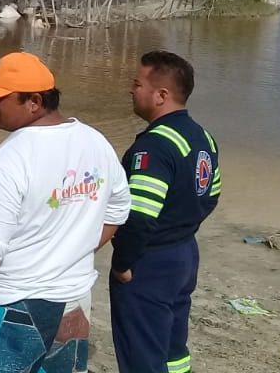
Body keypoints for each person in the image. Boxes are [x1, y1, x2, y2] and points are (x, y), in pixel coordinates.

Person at [0, 51, 130, 373]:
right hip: (74, 300)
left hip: (16, 304)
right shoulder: (95, 142)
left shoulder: (7, 160)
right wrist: (71, 251)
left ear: (33, 101)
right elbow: (117, 210)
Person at [110, 51, 221, 373]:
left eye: (137, 83)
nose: (132, 90)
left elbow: (140, 216)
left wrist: (123, 263)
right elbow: (211, 195)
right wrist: (181, 227)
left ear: (161, 95)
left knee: (142, 350)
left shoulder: (154, 146)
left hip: (151, 260)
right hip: (185, 253)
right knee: (173, 346)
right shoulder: (203, 137)